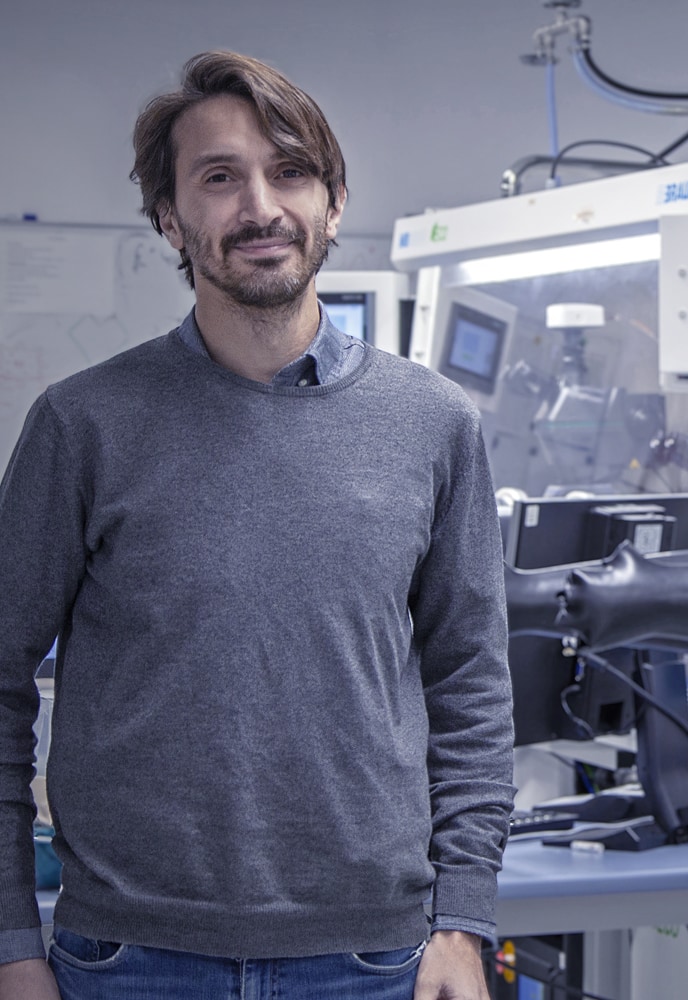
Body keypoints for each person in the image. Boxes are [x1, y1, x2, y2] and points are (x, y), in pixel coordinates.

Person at [0, 50, 515, 1000]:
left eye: (290, 171)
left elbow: (470, 685)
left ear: (333, 202)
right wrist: (10, 943)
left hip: (373, 960)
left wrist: (463, 921)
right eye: (219, 177)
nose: (260, 207)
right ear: (169, 217)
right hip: (125, 961)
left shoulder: (433, 423)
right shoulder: (82, 425)